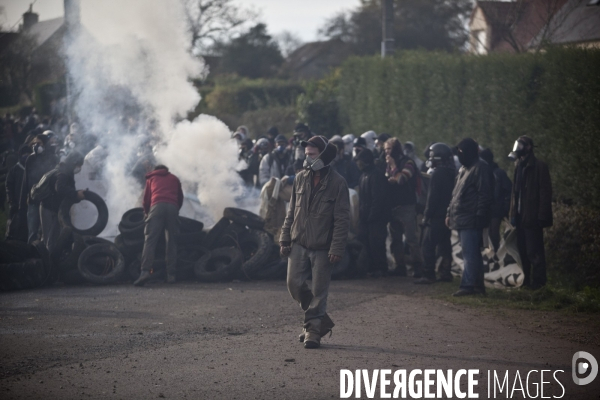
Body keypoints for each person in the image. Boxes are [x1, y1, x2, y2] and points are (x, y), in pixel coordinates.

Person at [280, 135, 350, 349]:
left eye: (311, 154)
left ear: (324, 155)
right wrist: (284, 237)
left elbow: (342, 219)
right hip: (299, 242)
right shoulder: (300, 178)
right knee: (293, 284)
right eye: (306, 154)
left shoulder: (338, 183)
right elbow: (291, 210)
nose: (306, 158)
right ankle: (321, 321)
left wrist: (336, 247)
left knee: (320, 291)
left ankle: (312, 331)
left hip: (323, 247)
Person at [446, 138, 493, 296]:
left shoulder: (481, 168)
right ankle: (478, 287)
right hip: (462, 218)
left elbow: (484, 195)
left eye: (461, 152)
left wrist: (479, 215)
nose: (459, 155)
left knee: (470, 254)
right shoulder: (464, 169)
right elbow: (455, 195)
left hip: (471, 218)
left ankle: (468, 286)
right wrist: (449, 213)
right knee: (471, 253)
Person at [508, 136, 552, 290]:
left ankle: (539, 284)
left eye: (521, 145)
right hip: (520, 217)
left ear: (529, 147)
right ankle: (525, 281)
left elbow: (545, 193)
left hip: (532, 217)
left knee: (535, 252)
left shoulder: (539, 166)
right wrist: (513, 214)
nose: (518, 148)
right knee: (522, 251)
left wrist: (541, 216)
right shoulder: (518, 166)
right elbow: (516, 193)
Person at [134, 165, 184, 286]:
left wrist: (146, 213)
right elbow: (180, 197)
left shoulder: (151, 178)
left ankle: (145, 272)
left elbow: (146, 199)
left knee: (150, 240)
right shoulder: (174, 178)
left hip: (157, 206)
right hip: (173, 207)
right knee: (172, 241)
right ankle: (171, 275)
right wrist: (176, 210)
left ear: (155, 170)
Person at [415, 143, 456, 284]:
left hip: (436, 216)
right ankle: (445, 273)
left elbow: (433, 198)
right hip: (447, 215)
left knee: (427, 245)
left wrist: (427, 215)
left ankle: (428, 274)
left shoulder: (438, 174)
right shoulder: (452, 172)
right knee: (445, 246)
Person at [384, 137, 423, 277]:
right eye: (385, 150)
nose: (386, 153)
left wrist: (394, 167)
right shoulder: (387, 164)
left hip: (407, 206)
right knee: (395, 239)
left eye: (389, 149)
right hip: (394, 207)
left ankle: (418, 266)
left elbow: (401, 179)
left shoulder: (408, 162)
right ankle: (399, 266)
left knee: (411, 238)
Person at [40, 151, 85, 251]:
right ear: (74, 162)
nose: (79, 168)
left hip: (55, 207)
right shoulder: (63, 171)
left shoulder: (67, 170)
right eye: (79, 165)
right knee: (49, 238)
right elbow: (60, 188)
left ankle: (51, 259)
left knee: (55, 237)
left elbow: (68, 191)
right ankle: (46, 261)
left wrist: (77, 195)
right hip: (49, 208)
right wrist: (75, 194)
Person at [354, 148, 390, 277]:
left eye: (359, 161)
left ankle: (381, 268)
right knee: (366, 242)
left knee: (377, 243)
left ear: (366, 161)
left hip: (377, 217)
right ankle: (371, 268)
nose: (358, 163)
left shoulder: (376, 175)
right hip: (366, 217)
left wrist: (373, 216)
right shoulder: (363, 176)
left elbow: (378, 199)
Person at [20, 134, 59, 243]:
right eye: (33, 143)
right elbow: (26, 180)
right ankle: (32, 253)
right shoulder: (30, 158)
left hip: (47, 200)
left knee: (46, 232)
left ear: (45, 144)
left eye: (39, 143)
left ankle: (45, 255)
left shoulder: (53, 158)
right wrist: (24, 197)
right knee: (32, 230)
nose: (35, 146)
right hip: (33, 199)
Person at [480, 148, 512, 252]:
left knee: (494, 233)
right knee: (488, 234)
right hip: (486, 209)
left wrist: (505, 206)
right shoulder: (482, 173)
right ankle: (493, 255)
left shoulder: (498, 173)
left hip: (496, 209)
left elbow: (508, 189)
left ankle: (497, 254)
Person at [5, 145, 30, 240]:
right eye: (25, 154)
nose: (26, 156)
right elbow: (9, 187)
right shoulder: (14, 170)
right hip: (17, 204)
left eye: (28, 154)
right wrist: (11, 201)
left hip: (29, 204)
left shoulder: (32, 168)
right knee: (15, 227)